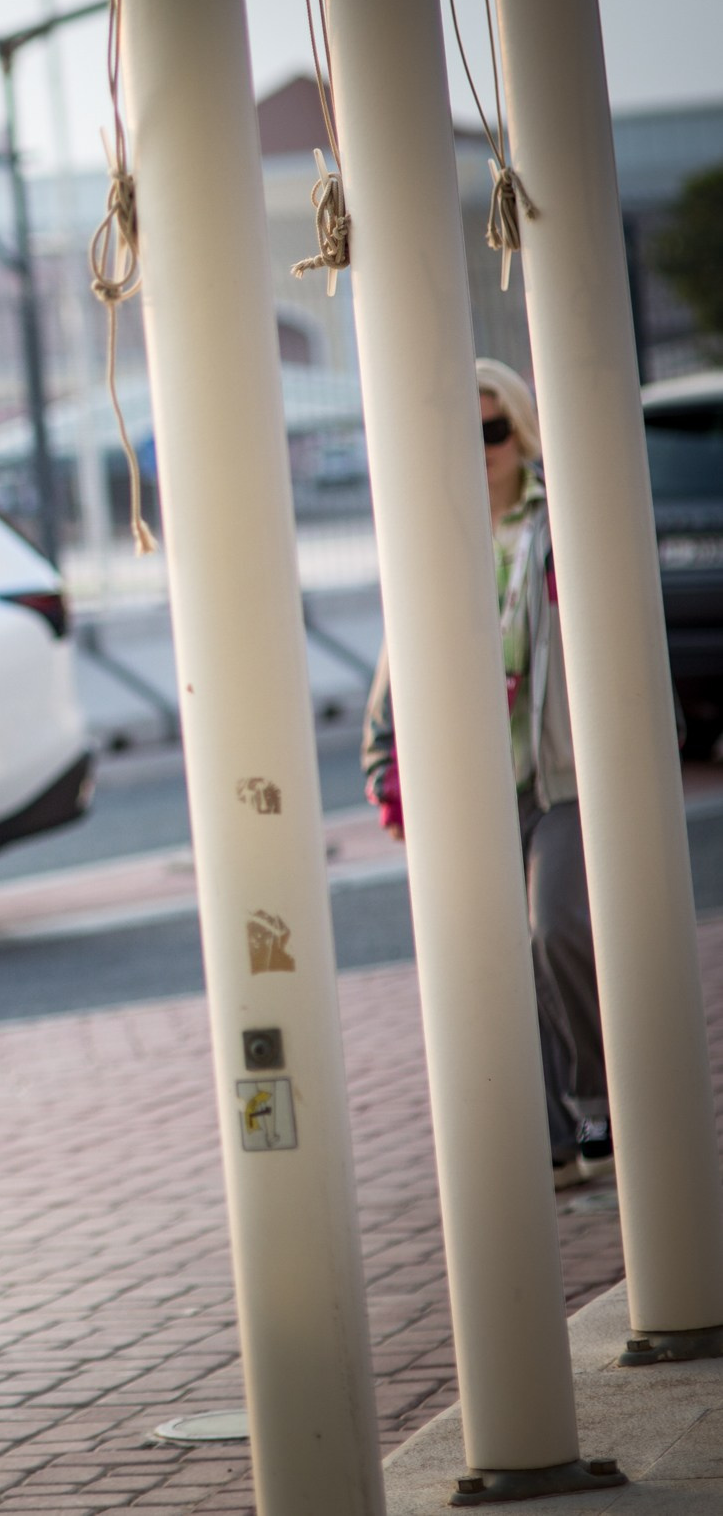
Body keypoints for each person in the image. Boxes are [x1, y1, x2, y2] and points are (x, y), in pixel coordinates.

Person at [362, 357, 607, 1183]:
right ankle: (553, 1134)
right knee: (496, 959)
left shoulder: (559, 520)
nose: (480, 446)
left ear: (521, 428)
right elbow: (398, 661)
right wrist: (387, 767)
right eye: (462, 433)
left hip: (559, 771)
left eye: (494, 428)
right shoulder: (434, 530)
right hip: (473, 790)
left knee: (557, 928)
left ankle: (600, 1099)